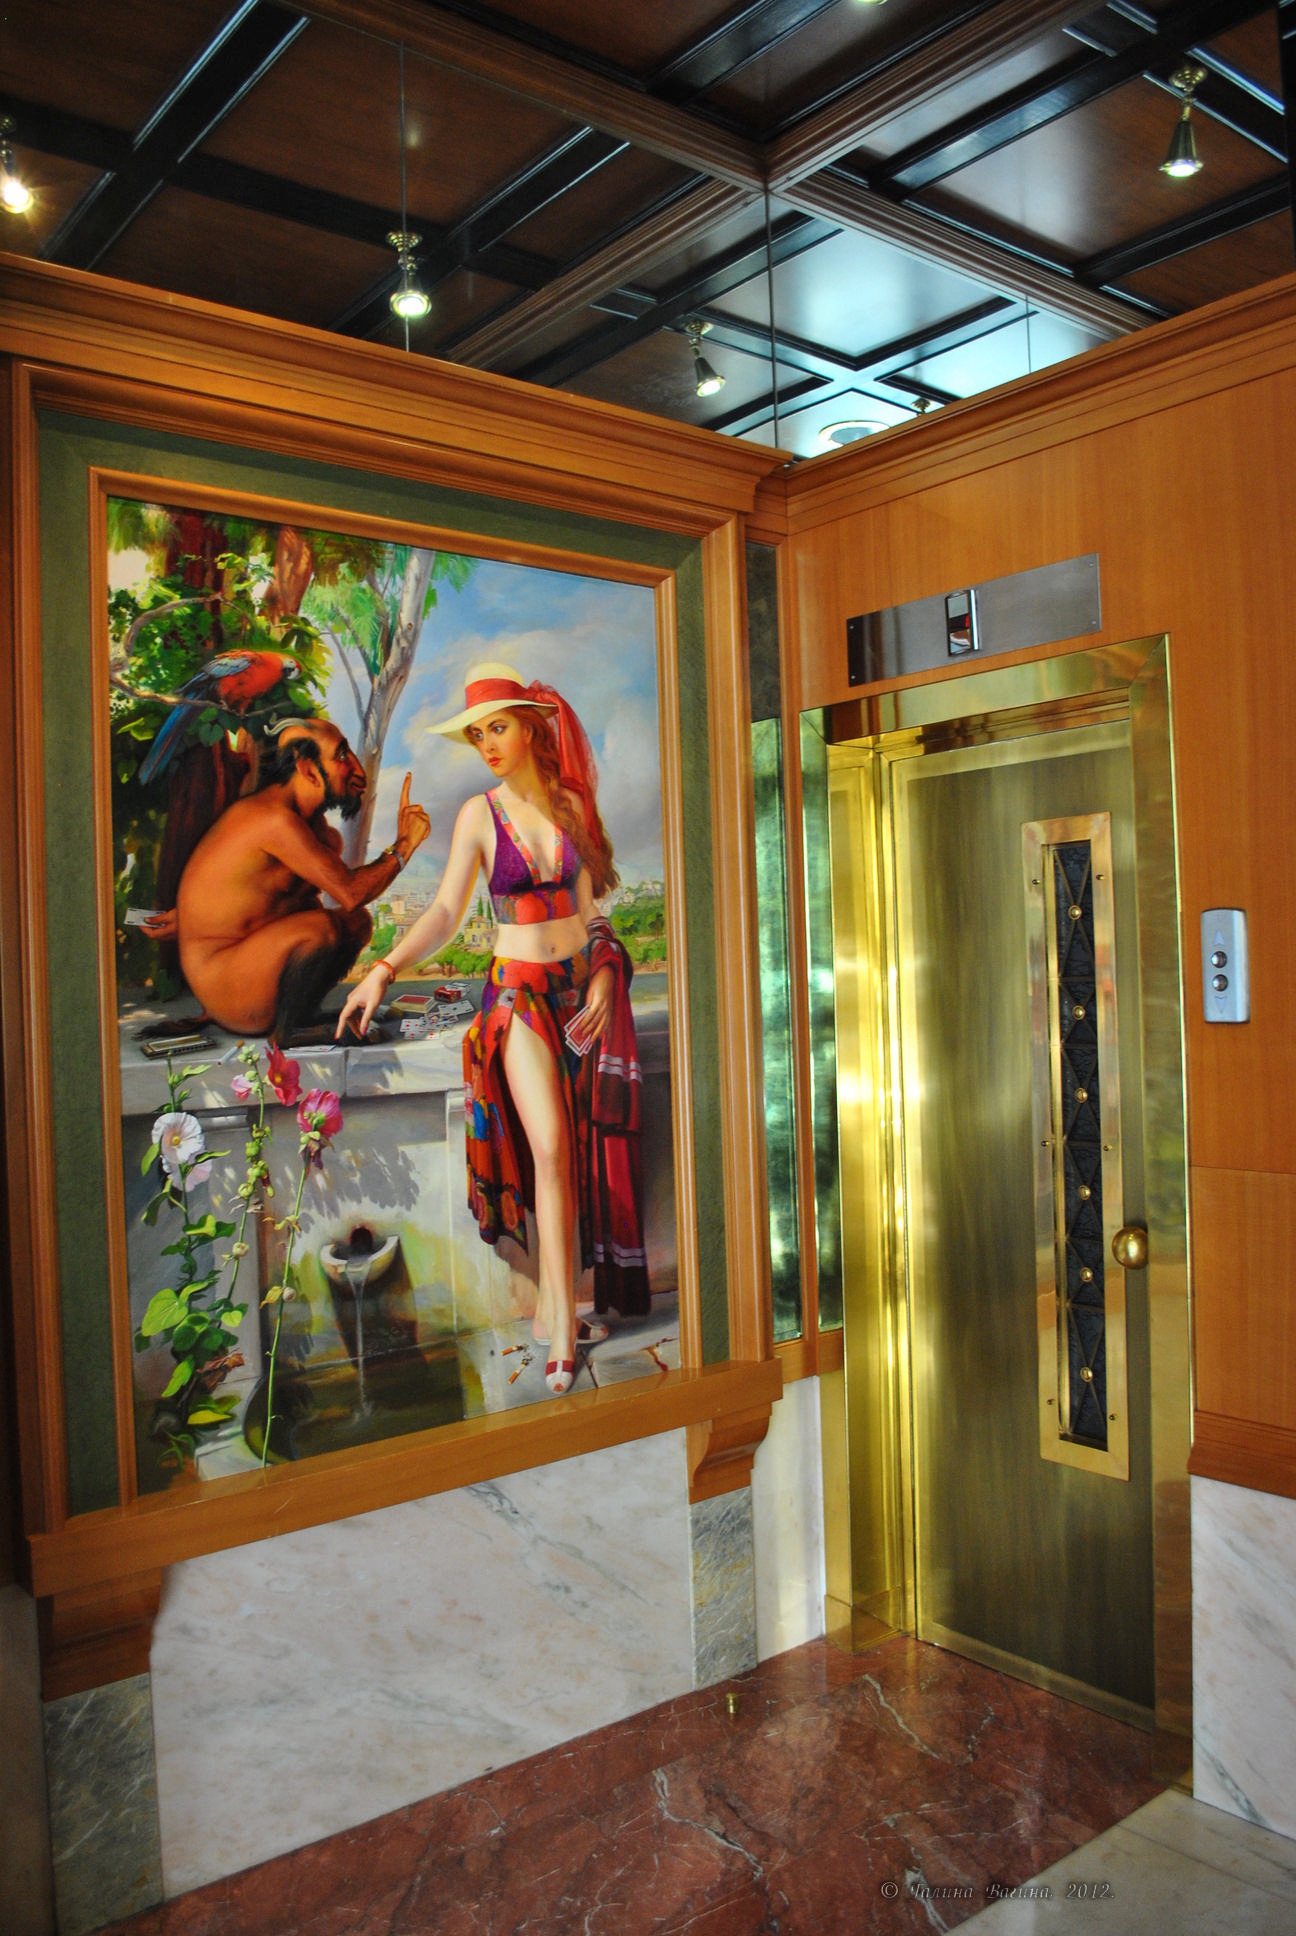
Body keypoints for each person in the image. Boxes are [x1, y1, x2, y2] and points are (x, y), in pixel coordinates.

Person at [336, 663, 648, 1398]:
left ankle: (553, 1312)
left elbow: (590, 913)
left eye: (497, 728)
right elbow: (447, 913)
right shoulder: (480, 815)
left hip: (578, 996)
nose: (487, 746)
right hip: (518, 998)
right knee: (550, 1147)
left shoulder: (572, 805)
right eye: (477, 735)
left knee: (570, 1156)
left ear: (532, 729)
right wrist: (383, 968)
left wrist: (606, 973)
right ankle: (563, 1330)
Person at [164, 718, 431, 1041]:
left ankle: (302, 1016)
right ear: (308, 769)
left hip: (247, 969)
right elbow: (350, 892)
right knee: (322, 927)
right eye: (342, 756)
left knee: (356, 923)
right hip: (227, 988)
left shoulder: (310, 828)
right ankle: (290, 1032)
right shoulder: (275, 821)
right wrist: (404, 846)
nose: (358, 772)